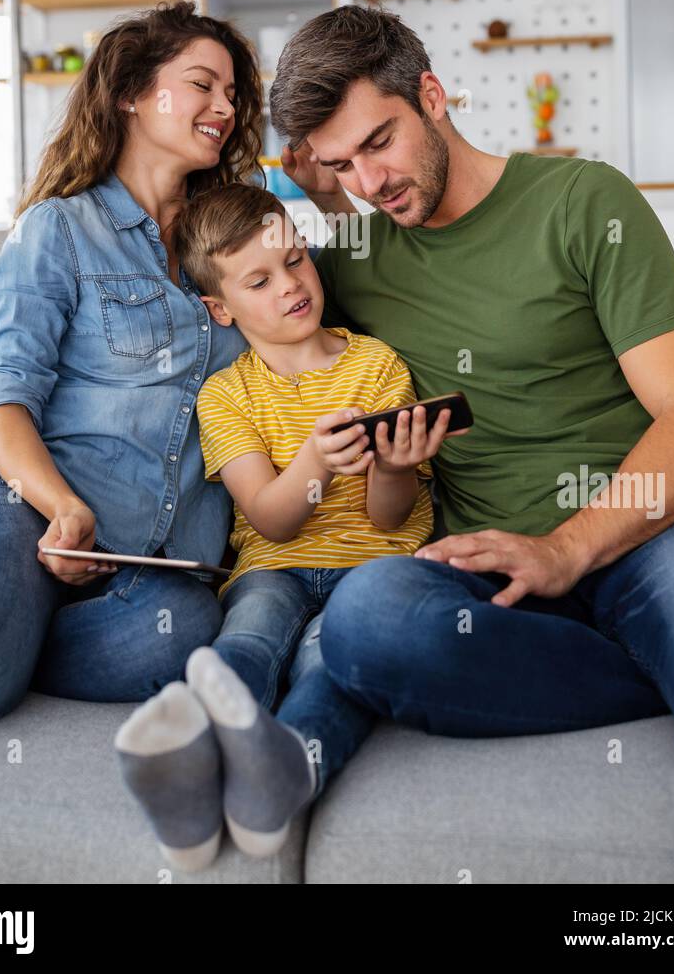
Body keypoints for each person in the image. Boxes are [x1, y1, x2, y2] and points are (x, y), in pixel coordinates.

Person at [268, 2, 674, 874]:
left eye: (380, 142)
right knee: (367, 616)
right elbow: (238, 298)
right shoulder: (353, 262)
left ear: (433, 95)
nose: (371, 183)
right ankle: (660, 672)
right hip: (493, 568)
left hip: (658, 530)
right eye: (340, 165)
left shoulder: (582, 199)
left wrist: (569, 546)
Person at [0, 1, 264, 727]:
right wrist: (63, 510)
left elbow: (303, 314)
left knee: (182, 635)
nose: (226, 105)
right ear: (130, 93)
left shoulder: (237, 238)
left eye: (233, 94)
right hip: (28, 517)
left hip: (157, 570)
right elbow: (5, 404)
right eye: (203, 84)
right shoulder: (59, 228)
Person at [114, 181, 458, 872]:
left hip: (375, 570)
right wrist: (316, 462)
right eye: (260, 280)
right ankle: (194, 746)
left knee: (328, 666)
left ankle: (275, 774)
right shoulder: (226, 395)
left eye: (295, 260)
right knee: (250, 637)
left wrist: (392, 465)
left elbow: (390, 517)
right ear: (220, 307)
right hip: (273, 567)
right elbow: (270, 519)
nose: (291, 286)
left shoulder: (376, 365)